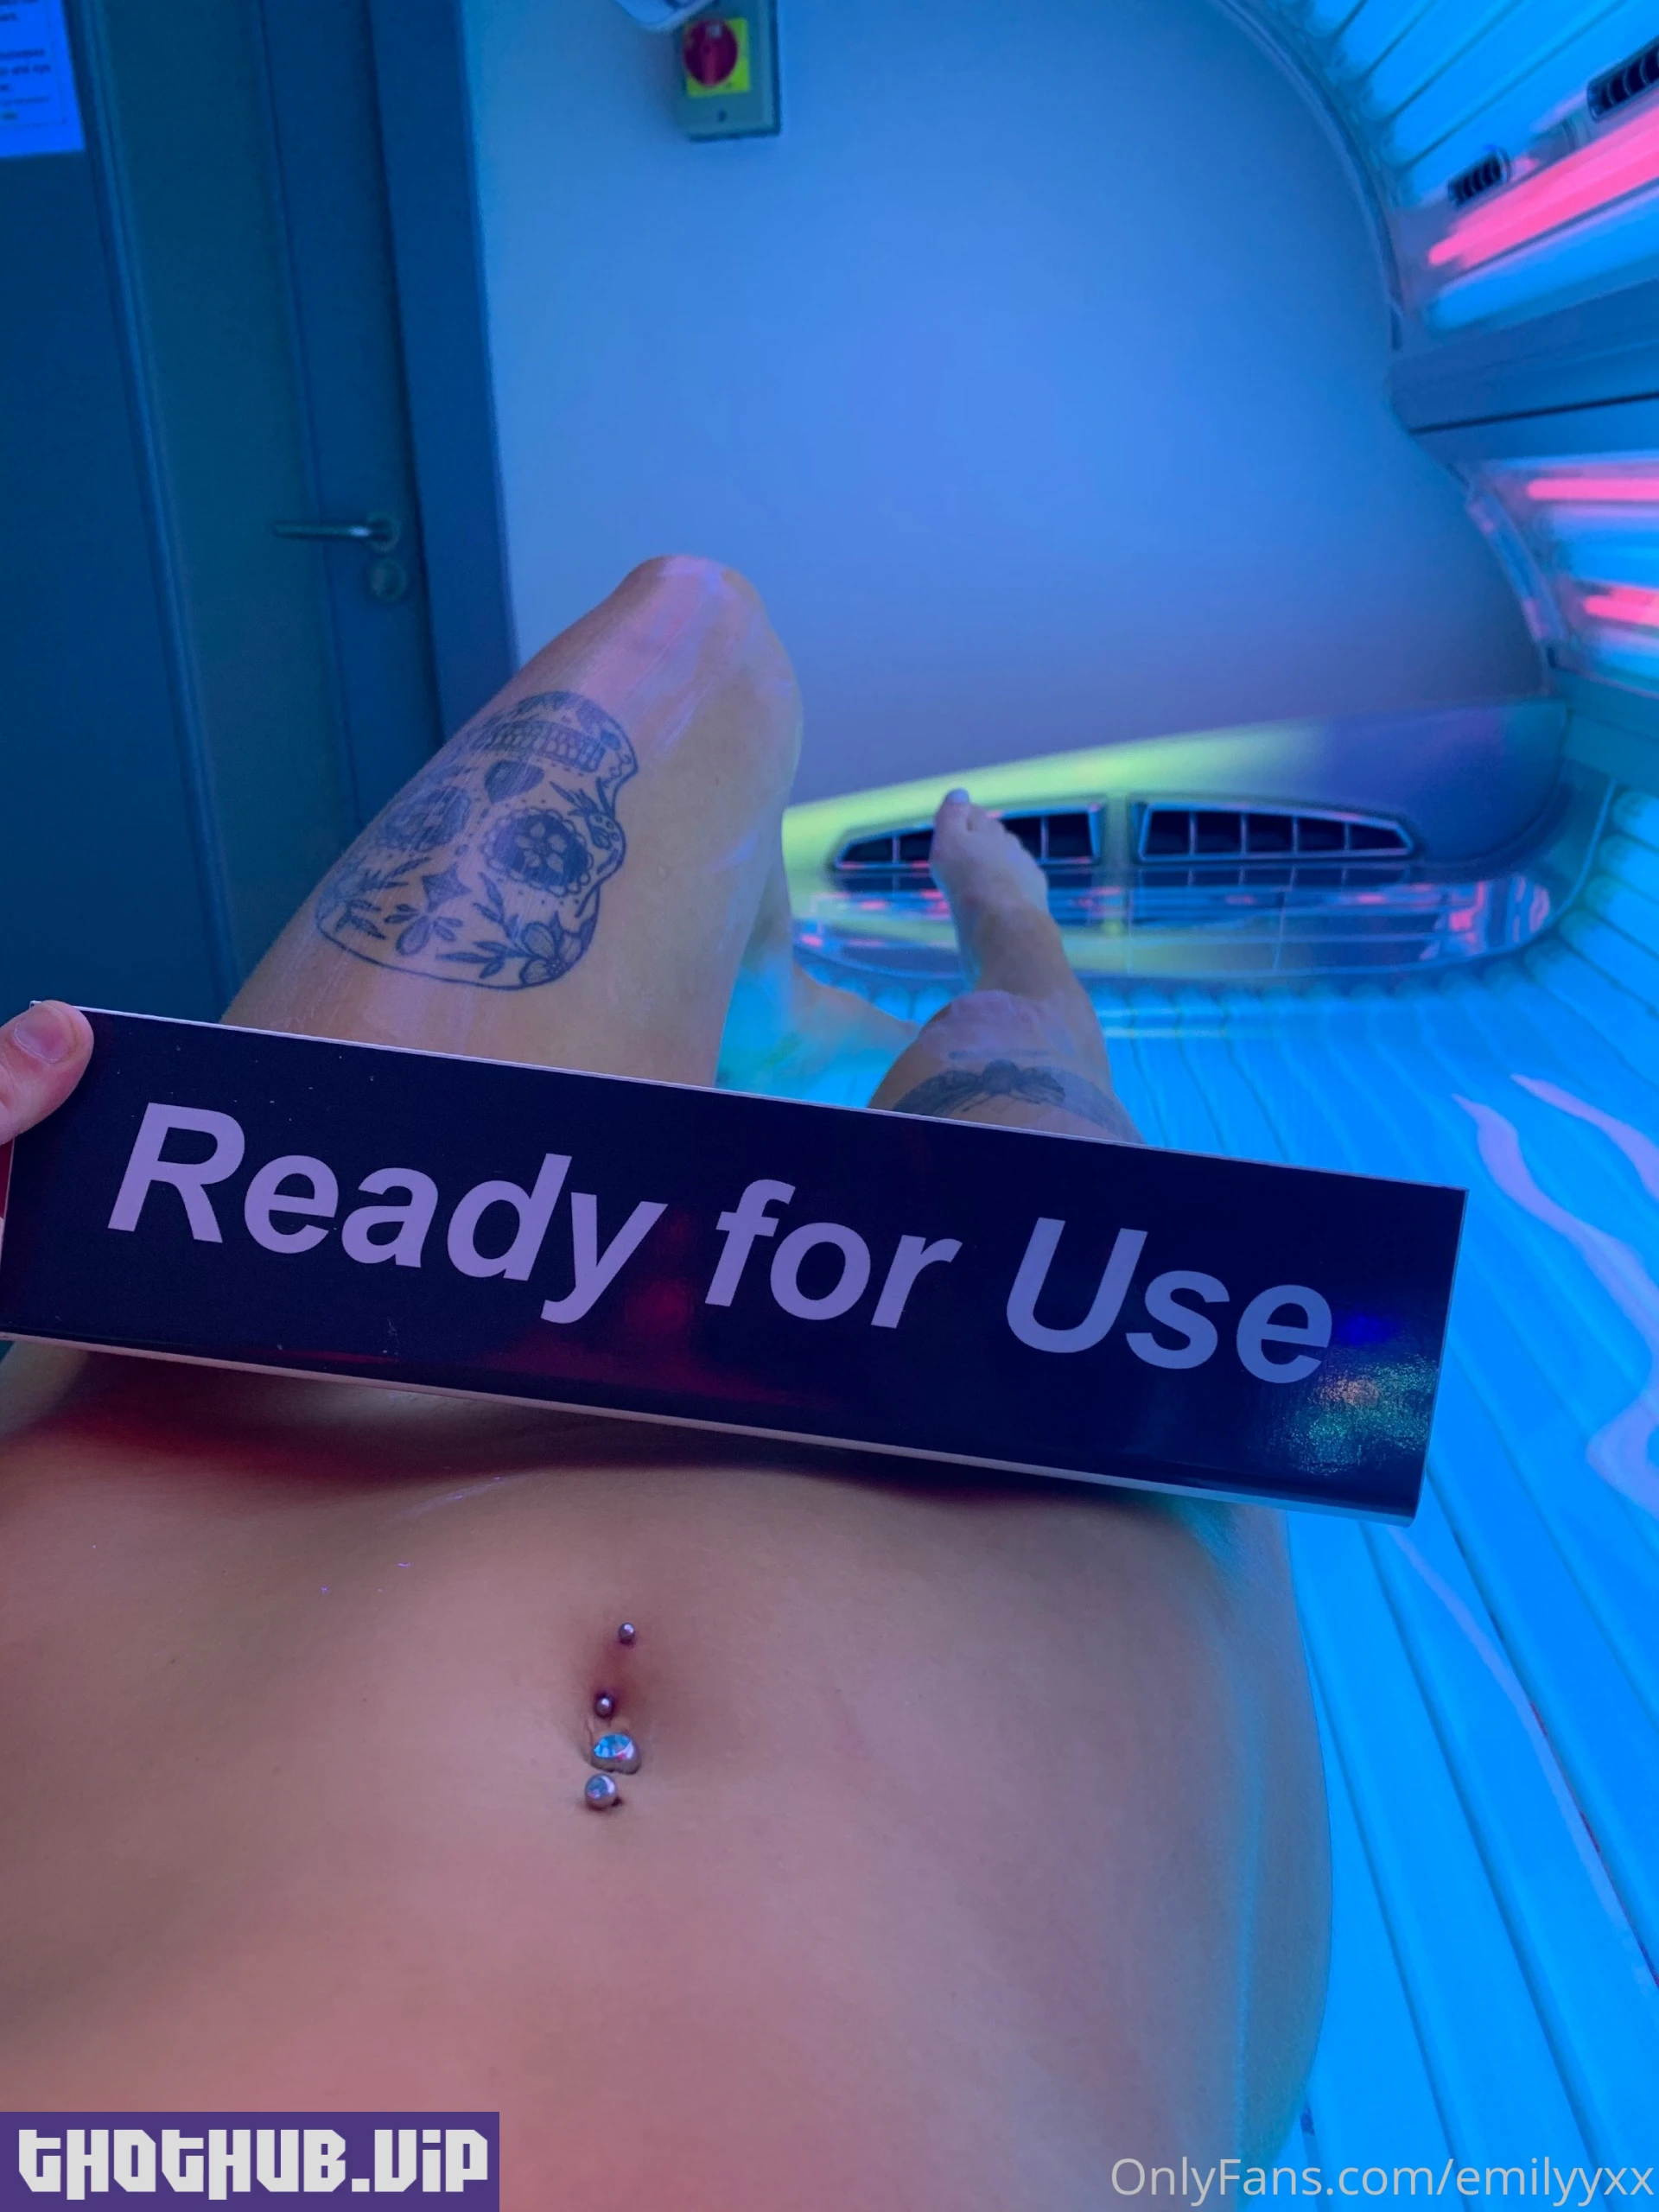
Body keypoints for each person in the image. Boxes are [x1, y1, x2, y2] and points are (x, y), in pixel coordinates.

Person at [0, 558, 1327, 2207]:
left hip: (210, 1440)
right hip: (1031, 1643)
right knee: (1010, 1073)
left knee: (693, 627)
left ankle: (788, 998)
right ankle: (1001, 955)